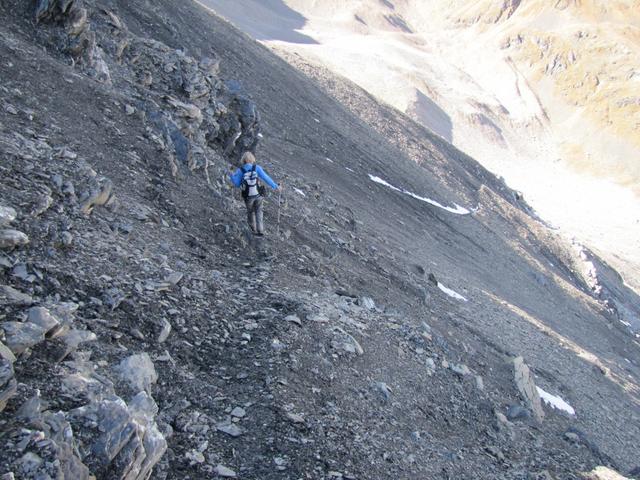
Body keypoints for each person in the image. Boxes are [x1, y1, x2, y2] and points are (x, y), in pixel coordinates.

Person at [229, 151, 281, 236]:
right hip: (258, 194)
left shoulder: (240, 170)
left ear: (243, 160)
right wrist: (275, 186)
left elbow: (237, 184)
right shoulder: (257, 168)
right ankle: (260, 230)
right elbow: (266, 178)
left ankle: (252, 229)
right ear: (252, 159)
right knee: (259, 211)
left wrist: (231, 175)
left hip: (248, 196)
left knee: (250, 212)